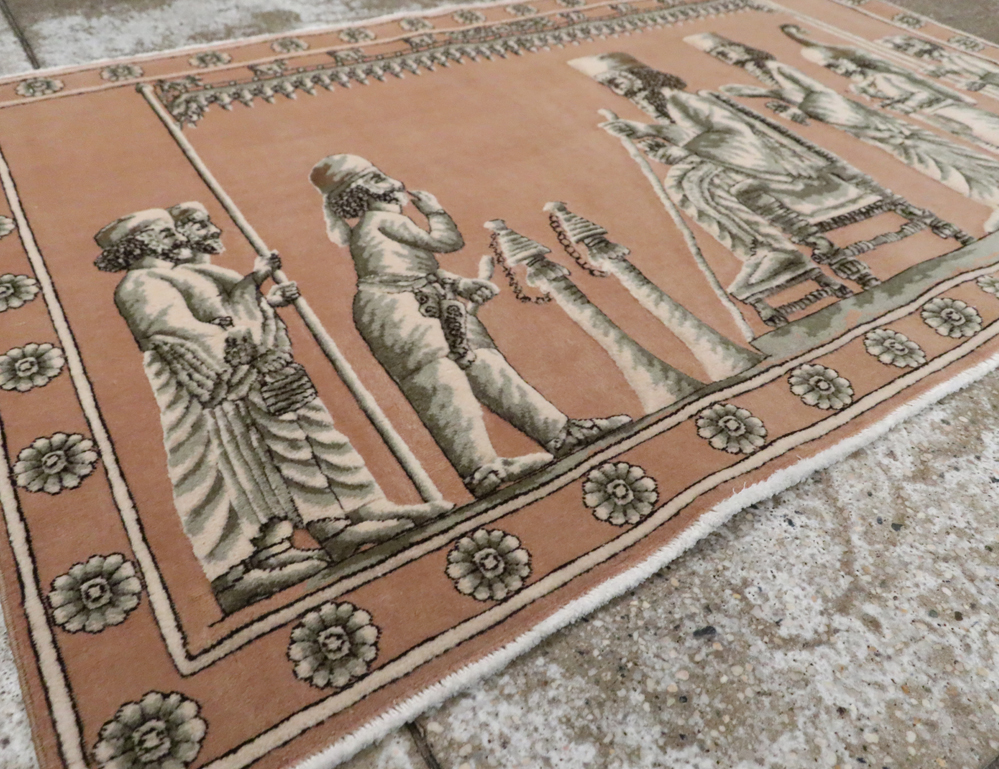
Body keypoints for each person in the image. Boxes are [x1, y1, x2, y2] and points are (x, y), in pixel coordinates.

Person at [96, 204, 449, 613]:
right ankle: (234, 573)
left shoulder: (176, 273)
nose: (177, 236)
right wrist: (247, 321)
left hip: (235, 377)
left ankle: (318, 531)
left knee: (262, 462)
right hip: (199, 388)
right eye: (166, 232)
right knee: (216, 471)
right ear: (141, 243)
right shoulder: (140, 284)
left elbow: (227, 313)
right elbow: (182, 335)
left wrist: (258, 301)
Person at [309, 155, 630, 497]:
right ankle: (481, 468)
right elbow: (446, 244)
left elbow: (412, 265)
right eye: (378, 177)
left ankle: (559, 432)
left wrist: (460, 284)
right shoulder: (382, 220)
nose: (393, 181)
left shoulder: (383, 222)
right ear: (366, 191)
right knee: (437, 378)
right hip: (395, 307)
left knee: (483, 360)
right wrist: (435, 212)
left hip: (427, 295)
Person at [570, 52, 881, 323]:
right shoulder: (667, 104)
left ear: (640, 76)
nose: (616, 87)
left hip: (762, 161)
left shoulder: (681, 99)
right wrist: (665, 148)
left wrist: (649, 130)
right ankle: (763, 250)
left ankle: (768, 249)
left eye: (617, 79)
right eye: (608, 83)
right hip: (732, 160)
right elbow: (693, 140)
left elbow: (734, 136)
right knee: (685, 180)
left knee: (690, 183)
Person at [685, 32, 999, 232]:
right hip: (855, 124)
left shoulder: (775, 68)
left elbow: (819, 94)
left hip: (865, 120)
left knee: (939, 156)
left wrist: (768, 93)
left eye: (726, 50)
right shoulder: (766, 75)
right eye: (719, 55)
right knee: (932, 162)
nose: (727, 56)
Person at [782, 25, 999, 160]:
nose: (837, 70)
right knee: (992, 143)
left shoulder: (885, 76)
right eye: (830, 68)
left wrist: (902, 104)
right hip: (940, 119)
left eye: (835, 64)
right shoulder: (863, 85)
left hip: (949, 109)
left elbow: (925, 95)